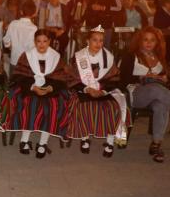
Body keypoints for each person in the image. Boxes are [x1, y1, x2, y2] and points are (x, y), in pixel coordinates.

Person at [66, 25, 129, 157]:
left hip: (104, 92)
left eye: (101, 40)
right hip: (83, 91)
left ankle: (110, 142)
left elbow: (114, 79)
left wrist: (102, 91)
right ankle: (85, 138)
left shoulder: (109, 58)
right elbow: (71, 78)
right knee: (84, 107)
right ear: (87, 41)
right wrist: (87, 88)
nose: (98, 43)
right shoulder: (78, 57)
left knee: (113, 107)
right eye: (95, 40)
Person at [9, 30, 71, 158]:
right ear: (34, 42)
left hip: (50, 88)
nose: (41, 44)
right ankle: (24, 140)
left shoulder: (56, 57)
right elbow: (19, 76)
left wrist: (50, 88)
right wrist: (33, 87)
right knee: (29, 103)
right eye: (38, 41)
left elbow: (62, 78)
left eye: (45, 41)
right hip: (30, 87)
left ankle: (43, 143)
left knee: (53, 106)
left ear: (50, 42)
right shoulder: (27, 56)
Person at [120, 26, 170, 163]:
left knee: (161, 105)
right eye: (145, 40)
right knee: (155, 88)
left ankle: (156, 143)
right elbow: (122, 79)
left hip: (157, 94)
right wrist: (142, 77)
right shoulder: (131, 56)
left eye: (152, 40)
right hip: (135, 94)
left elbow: (166, 82)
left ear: (157, 42)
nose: (149, 43)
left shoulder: (160, 57)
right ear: (140, 41)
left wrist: (164, 78)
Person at [3, 1, 38, 74]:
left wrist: (9, 46)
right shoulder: (34, 28)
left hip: (14, 58)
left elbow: (6, 40)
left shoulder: (13, 23)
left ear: (21, 12)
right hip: (26, 61)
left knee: (12, 82)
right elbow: (33, 47)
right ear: (34, 14)